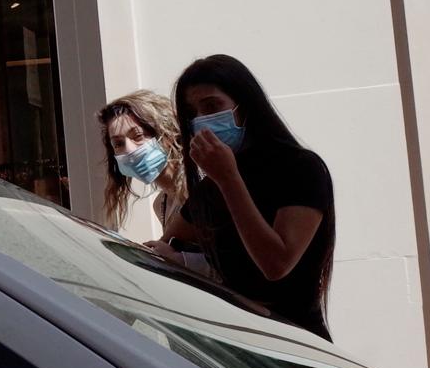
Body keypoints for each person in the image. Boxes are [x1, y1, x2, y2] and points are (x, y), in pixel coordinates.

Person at [148, 54, 335, 340]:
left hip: (295, 341)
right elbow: (169, 243)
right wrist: (180, 259)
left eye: (212, 106)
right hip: (239, 341)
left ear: (245, 106)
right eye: (191, 113)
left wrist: (229, 179)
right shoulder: (212, 186)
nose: (202, 120)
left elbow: (276, 264)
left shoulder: (300, 169)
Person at [97, 90, 187, 233]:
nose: (129, 150)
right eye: (118, 144)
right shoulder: (161, 205)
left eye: (137, 136)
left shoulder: (196, 187)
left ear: (166, 133)